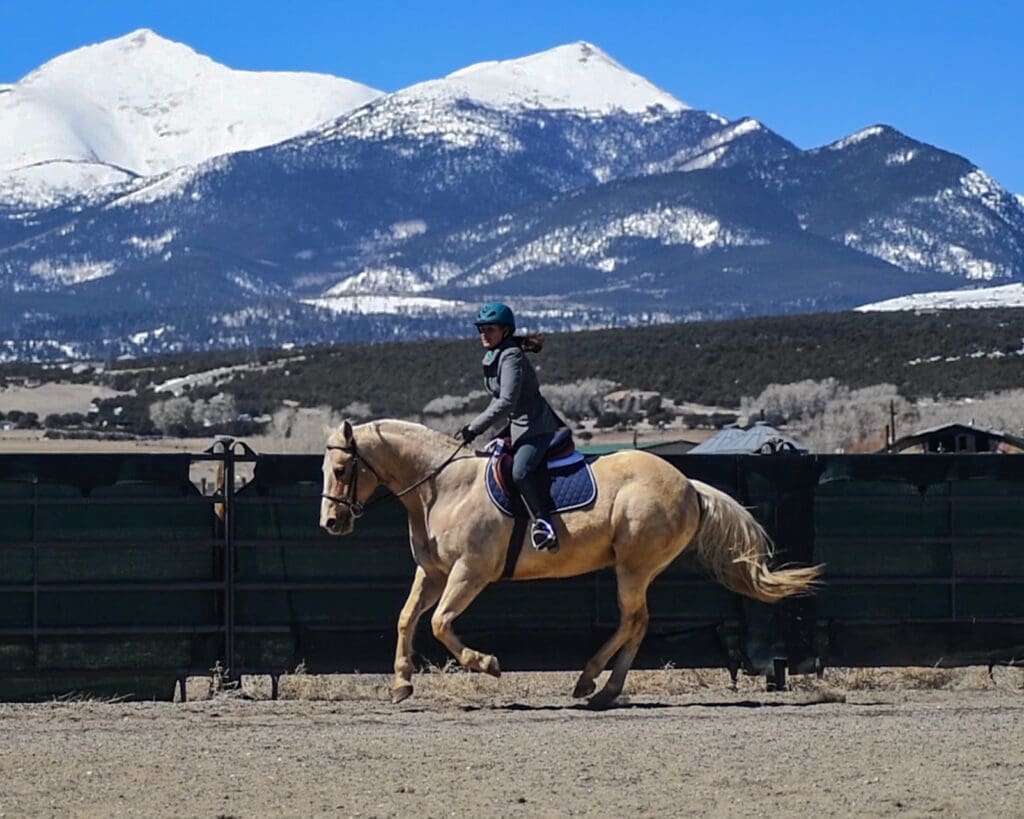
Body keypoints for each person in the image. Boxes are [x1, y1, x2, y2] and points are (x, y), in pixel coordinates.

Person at [455, 302, 563, 551]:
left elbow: (506, 401)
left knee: (520, 472)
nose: (484, 334)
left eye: (490, 329)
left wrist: (476, 427)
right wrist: (474, 427)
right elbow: (498, 398)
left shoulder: (511, 355)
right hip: (516, 426)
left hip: (535, 427)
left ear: (505, 331)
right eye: (481, 329)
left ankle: (544, 525)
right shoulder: (495, 355)